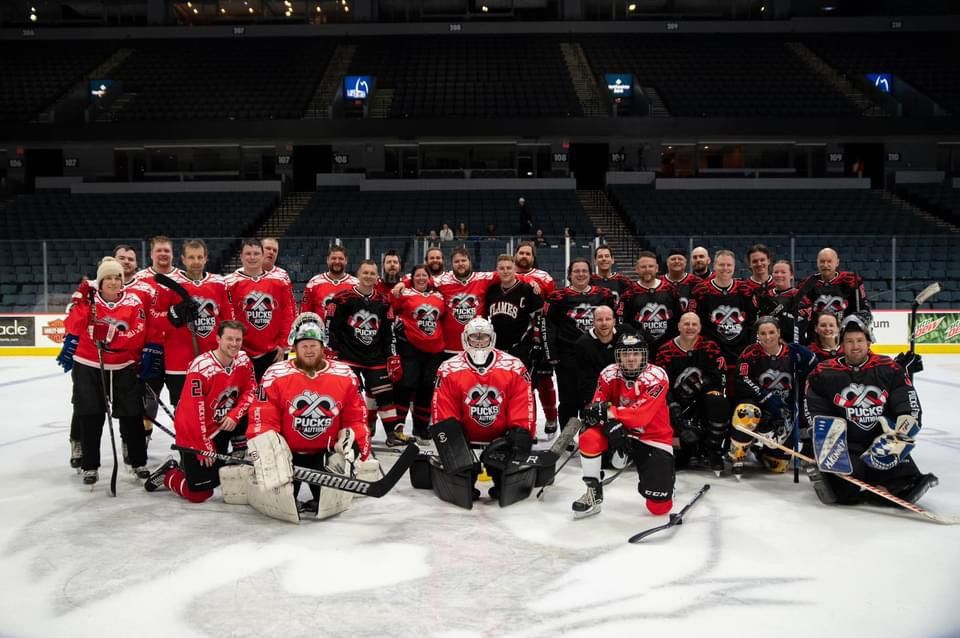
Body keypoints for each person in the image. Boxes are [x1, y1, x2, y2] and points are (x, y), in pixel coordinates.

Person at [804, 315, 937, 506]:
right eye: (849, 341)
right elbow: (815, 412)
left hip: (881, 442)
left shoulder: (889, 368)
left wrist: (897, 438)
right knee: (843, 491)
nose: (855, 346)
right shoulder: (823, 372)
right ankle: (849, 481)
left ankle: (879, 484)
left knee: (907, 484)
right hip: (847, 445)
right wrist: (828, 447)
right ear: (842, 343)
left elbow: (910, 409)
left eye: (859, 340)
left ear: (869, 341)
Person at [249, 313, 373, 515]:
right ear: (295, 348)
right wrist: (266, 449)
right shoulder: (275, 374)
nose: (308, 350)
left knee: (330, 504)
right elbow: (262, 419)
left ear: (322, 347)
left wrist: (357, 444)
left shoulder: (345, 375)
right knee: (281, 505)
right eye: (304, 345)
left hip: (325, 456)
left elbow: (356, 418)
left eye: (313, 345)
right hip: (287, 457)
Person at [56, 257, 153, 484]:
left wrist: (112, 337)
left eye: (117, 277)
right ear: (99, 282)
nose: (112, 281)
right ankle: (90, 465)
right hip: (88, 364)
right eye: (107, 277)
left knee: (131, 415)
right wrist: (80, 301)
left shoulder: (133, 301)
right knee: (90, 415)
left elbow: (137, 335)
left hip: (122, 366)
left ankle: (138, 461)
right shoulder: (88, 302)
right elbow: (73, 327)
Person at [143, 320, 256, 502]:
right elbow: (192, 413)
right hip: (196, 433)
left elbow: (251, 389)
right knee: (200, 493)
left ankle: (237, 451)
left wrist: (235, 415)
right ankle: (170, 473)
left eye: (238, 339)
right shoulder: (201, 367)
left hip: (223, 425)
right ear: (218, 339)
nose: (234, 344)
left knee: (252, 411)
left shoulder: (243, 360)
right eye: (229, 339)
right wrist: (202, 446)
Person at [431, 317, 535, 504]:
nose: (479, 342)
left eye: (484, 337)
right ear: (465, 339)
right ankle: (465, 469)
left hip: (502, 441)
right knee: (459, 475)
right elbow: (443, 409)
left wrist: (521, 432)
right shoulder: (448, 369)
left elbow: (523, 404)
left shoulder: (514, 367)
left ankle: (502, 471)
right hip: (465, 441)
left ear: (492, 338)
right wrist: (451, 439)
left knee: (510, 470)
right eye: (474, 337)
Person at [573, 333, 675, 518]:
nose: (630, 358)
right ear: (618, 355)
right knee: (588, 437)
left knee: (658, 508)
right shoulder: (608, 373)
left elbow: (641, 416)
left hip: (652, 436)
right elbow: (596, 409)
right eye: (626, 354)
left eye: (636, 353)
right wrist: (606, 421)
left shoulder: (657, 376)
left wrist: (610, 414)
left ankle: (663, 480)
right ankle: (593, 493)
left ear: (644, 355)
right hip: (618, 430)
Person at [326, 259, 411, 446]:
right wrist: (331, 350)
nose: (368, 276)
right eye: (365, 273)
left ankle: (391, 434)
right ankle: (344, 432)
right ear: (358, 274)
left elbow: (388, 333)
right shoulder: (342, 298)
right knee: (348, 397)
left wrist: (392, 356)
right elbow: (330, 328)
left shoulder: (383, 301)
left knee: (385, 395)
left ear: (377, 276)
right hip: (348, 357)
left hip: (375, 357)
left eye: (372, 273)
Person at [731, 316, 817, 477]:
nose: (767, 337)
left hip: (784, 412)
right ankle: (738, 453)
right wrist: (765, 397)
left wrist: (805, 373)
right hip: (758, 407)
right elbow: (742, 379)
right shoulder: (750, 353)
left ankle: (760, 452)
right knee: (746, 412)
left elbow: (815, 366)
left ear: (778, 332)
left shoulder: (793, 353)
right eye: (763, 333)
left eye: (771, 332)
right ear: (758, 335)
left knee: (778, 466)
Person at [155, 239, 233, 406]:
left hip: (213, 359)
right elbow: (155, 320)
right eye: (191, 257)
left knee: (214, 407)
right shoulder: (169, 284)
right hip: (179, 362)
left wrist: (228, 352)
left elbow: (227, 322)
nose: (196, 262)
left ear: (206, 258)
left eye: (199, 257)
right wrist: (173, 314)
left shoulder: (219, 283)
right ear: (183, 259)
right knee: (183, 411)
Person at [544, 258, 616, 428]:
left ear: (590, 274)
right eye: (576, 271)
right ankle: (567, 438)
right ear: (569, 274)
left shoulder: (604, 295)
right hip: (567, 356)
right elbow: (547, 326)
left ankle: (592, 432)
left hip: (595, 355)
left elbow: (614, 322)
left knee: (592, 396)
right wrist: (551, 354)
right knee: (568, 399)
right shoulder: (557, 296)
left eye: (584, 271)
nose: (581, 274)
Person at [654, 312, 728, 472]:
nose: (690, 327)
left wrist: (706, 391)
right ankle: (688, 448)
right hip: (677, 404)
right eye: (686, 324)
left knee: (719, 401)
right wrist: (675, 412)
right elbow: (662, 385)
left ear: (700, 327)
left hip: (702, 401)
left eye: (694, 324)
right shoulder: (665, 351)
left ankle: (712, 449)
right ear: (679, 326)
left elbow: (718, 377)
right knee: (681, 458)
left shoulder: (710, 347)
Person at [224, 238, 294, 382]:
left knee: (272, 397)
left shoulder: (279, 282)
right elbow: (226, 318)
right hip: (241, 351)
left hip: (273, 352)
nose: (252, 257)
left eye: (256, 253)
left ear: (262, 256)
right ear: (241, 257)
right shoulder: (229, 283)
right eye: (248, 253)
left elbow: (287, 315)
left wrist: (283, 344)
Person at [690, 249, 758, 396]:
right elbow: (700, 325)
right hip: (714, 352)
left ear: (734, 267)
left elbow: (752, 322)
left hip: (741, 350)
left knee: (741, 393)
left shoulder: (744, 289)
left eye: (729, 265)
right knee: (716, 394)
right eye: (721, 264)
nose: (725, 268)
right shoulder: (701, 291)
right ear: (714, 266)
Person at [391, 264, 446, 439]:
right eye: (417, 275)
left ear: (429, 278)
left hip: (434, 352)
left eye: (424, 275)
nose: (421, 278)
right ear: (412, 278)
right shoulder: (405, 293)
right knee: (405, 388)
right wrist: (403, 282)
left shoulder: (439, 296)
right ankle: (397, 429)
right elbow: (391, 304)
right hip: (410, 349)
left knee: (426, 390)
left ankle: (421, 428)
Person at [514, 241, 559, 437]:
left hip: (538, 335)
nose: (524, 256)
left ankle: (551, 417)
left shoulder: (544, 277)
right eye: (521, 253)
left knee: (544, 380)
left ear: (533, 257)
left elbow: (552, 305)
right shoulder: (505, 275)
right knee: (519, 384)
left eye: (528, 254)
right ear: (515, 254)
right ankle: (524, 424)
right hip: (513, 338)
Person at [485, 254, 543, 385]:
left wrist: (537, 343)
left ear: (514, 269)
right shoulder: (491, 291)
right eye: (502, 268)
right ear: (497, 270)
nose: (505, 271)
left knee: (523, 386)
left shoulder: (528, 289)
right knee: (499, 385)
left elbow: (539, 319)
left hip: (521, 347)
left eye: (509, 268)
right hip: (497, 347)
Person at [796, 247, 870, 344]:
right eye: (822, 261)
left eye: (829, 261)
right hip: (815, 340)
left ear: (837, 262)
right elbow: (801, 313)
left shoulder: (851, 281)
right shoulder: (806, 284)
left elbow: (864, 310)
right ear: (817, 263)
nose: (825, 265)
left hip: (845, 340)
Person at [433, 247, 498, 355]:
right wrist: (403, 284)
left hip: (478, 347)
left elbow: (508, 274)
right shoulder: (442, 281)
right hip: (450, 347)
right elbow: (420, 279)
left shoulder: (482, 278)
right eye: (457, 261)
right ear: (451, 264)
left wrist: (530, 281)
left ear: (470, 262)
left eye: (463, 260)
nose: (460, 264)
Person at [619, 250, 681, 352]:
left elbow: (679, 318)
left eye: (650, 266)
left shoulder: (670, 290)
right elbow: (624, 323)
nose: (647, 270)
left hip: (668, 348)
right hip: (639, 348)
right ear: (637, 269)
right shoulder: (629, 293)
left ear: (657, 268)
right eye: (643, 267)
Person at [300, 245, 359, 321]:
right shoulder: (313, 283)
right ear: (327, 260)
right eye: (333, 258)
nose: (337, 261)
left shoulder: (356, 285)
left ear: (346, 260)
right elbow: (304, 313)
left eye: (341, 258)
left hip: (347, 332)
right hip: (320, 332)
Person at [756, 259, 800, 344]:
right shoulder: (765, 295)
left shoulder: (799, 295)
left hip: (791, 344)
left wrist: (779, 311)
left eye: (783, 272)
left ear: (791, 275)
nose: (779, 275)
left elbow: (800, 323)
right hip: (767, 343)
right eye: (776, 272)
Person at [262, 237, 297, 319]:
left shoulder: (283, 275)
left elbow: (291, 303)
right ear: (260, 250)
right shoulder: (248, 272)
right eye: (268, 248)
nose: (271, 252)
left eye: (275, 250)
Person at [664, 248, 701, 313]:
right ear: (667, 262)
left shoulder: (697, 282)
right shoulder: (659, 282)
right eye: (673, 259)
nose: (676, 261)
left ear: (686, 262)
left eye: (680, 259)